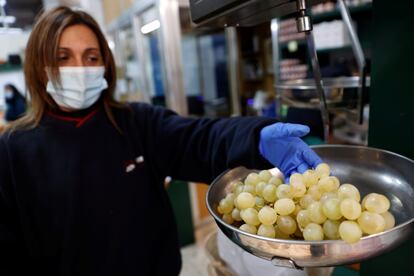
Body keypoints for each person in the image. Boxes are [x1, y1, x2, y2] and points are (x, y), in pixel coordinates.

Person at [0, 6, 322, 276]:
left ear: (105, 65)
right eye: (62, 57)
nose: (79, 69)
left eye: (91, 57)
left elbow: (200, 139)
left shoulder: (137, 123)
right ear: (38, 67)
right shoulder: (13, 149)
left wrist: (255, 136)